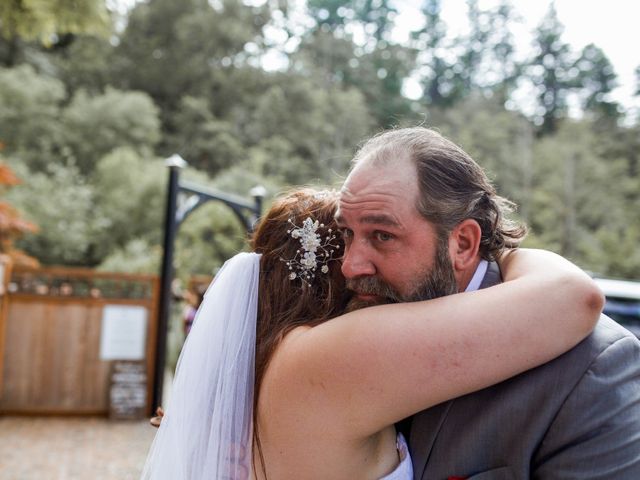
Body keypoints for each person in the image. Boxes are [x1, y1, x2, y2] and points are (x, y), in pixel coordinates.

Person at [142, 187, 602, 480]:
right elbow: (569, 297)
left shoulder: (266, 362)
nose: (363, 264)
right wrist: (507, 254)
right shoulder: (329, 357)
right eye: (352, 239)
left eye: (379, 237)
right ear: (333, 267)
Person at [337, 126, 640, 479]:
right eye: (347, 232)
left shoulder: (592, 370)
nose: (349, 265)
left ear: (462, 244)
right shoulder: (339, 330)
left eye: (383, 235)